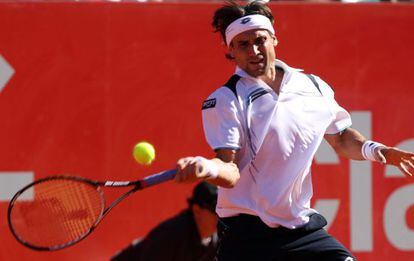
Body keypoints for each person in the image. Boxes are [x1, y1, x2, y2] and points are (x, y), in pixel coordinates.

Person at [174, 1, 414, 260]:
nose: (254, 50)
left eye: (260, 40)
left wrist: (380, 152)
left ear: (274, 39)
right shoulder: (226, 99)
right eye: (243, 44)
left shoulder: (312, 86)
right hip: (247, 235)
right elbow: (229, 170)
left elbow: (342, 138)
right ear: (231, 50)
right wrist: (208, 168)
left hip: (298, 228)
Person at [111, 181, 218, 261]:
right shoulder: (171, 234)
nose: (221, 217)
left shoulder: (215, 240)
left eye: (222, 210)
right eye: (215, 211)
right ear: (197, 210)